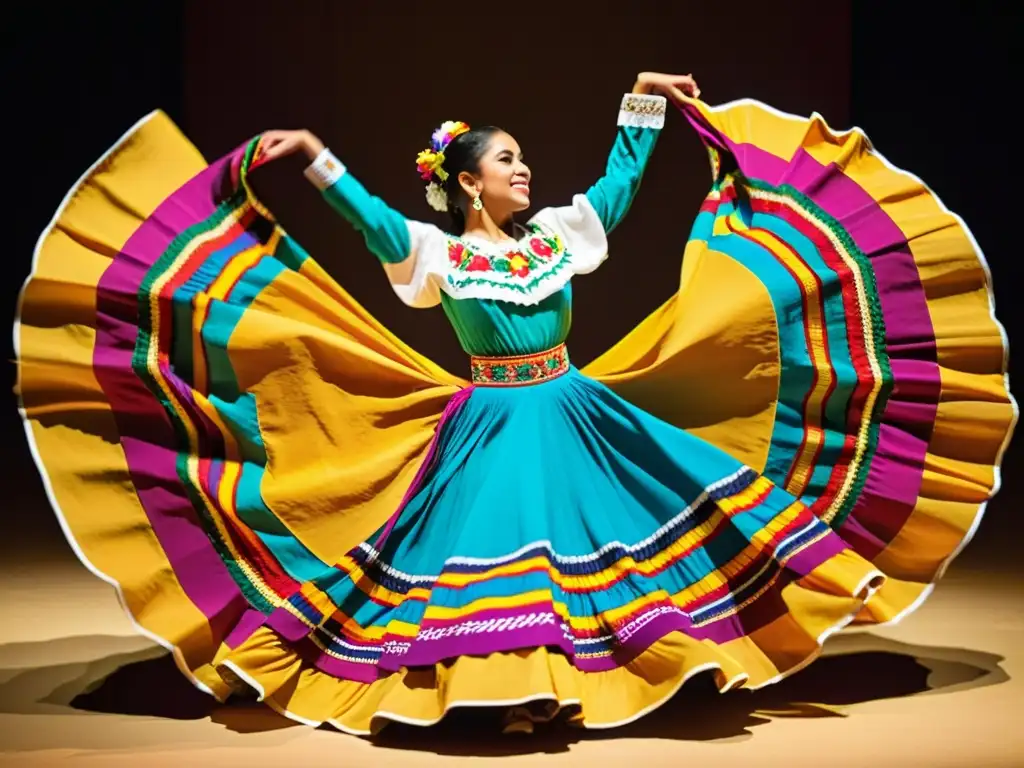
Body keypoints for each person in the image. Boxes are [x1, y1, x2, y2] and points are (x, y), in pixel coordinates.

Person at [16, 70, 1014, 737]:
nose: (522, 168)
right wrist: (310, 154)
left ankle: (594, 676)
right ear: (464, 181)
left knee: (605, 550)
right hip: (489, 421)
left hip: (573, 410)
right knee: (500, 557)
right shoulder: (438, 253)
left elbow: (621, 182)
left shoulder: (557, 237)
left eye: (521, 159)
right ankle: (508, 689)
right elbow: (364, 213)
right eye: (505, 160)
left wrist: (643, 100)